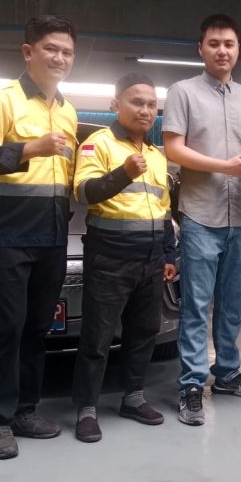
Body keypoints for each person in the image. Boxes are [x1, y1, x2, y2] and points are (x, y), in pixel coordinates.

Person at [0, 15, 78, 459]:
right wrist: (31, 148)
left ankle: (25, 411)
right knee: (6, 327)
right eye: (51, 48)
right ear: (28, 52)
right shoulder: (0, 99)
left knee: (36, 328)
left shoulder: (67, 110)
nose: (60, 58)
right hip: (6, 233)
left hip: (51, 234)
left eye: (67, 52)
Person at [162, 14, 241, 426]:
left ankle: (226, 373)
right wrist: (226, 166)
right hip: (200, 216)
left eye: (229, 44)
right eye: (214, 43)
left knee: (232, 304)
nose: (222, 50)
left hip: (240, 215)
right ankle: (191, 384)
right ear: (201, 49)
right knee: (196, 304)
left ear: (238, 49)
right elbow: (174, 149)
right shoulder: (182, 92)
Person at [70, 73, 178, 443]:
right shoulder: (97, 144)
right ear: (116, 105)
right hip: (109, 257)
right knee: (97, 337)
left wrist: (168, 254)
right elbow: (84, 193)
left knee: (144, 332)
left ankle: (133, 397)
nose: (145, 110)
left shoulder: (157, 156)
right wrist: (123, 173)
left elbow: (163, 209)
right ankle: (86, 407)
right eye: (136, 102)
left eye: (151, 105)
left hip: (150, 259)